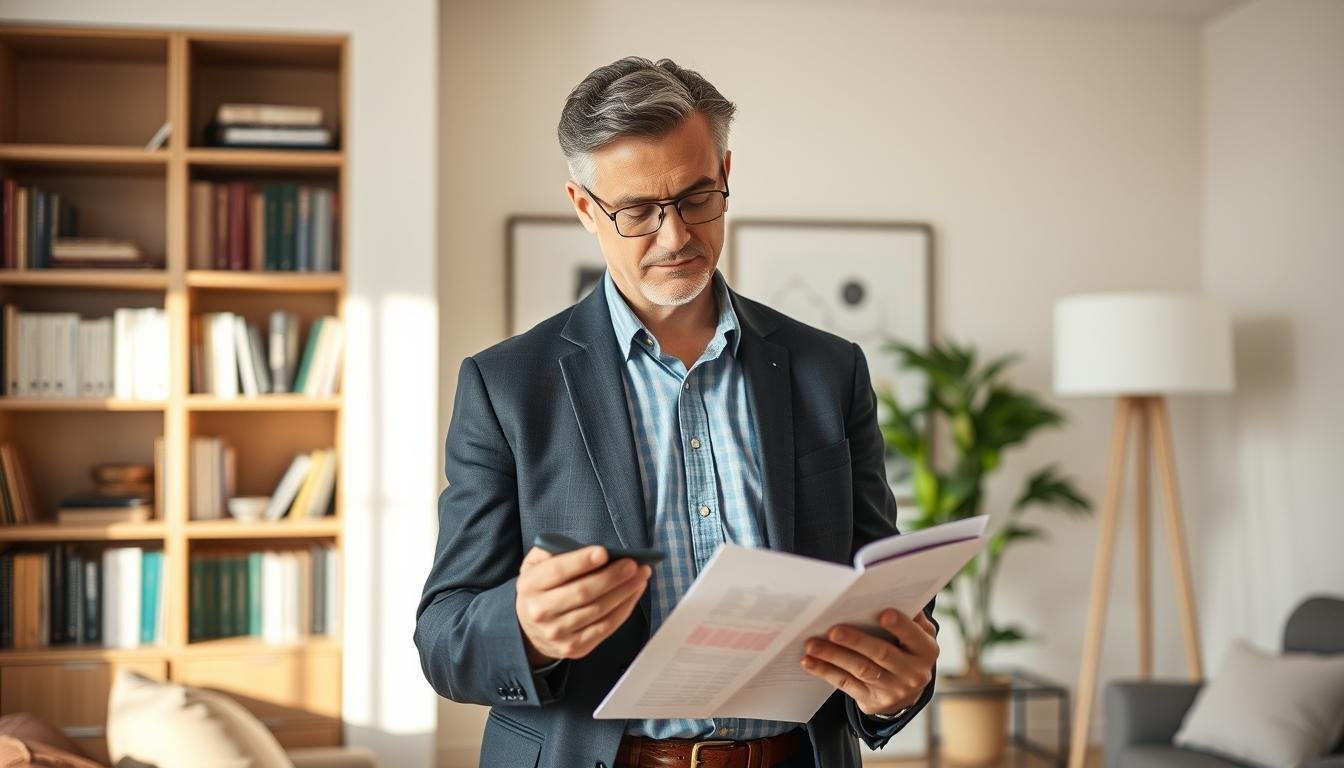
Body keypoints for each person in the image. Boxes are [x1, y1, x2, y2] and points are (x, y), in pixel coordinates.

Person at [415, 56, 939, 768]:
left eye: (697, 198)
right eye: (636, 212)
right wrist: (525, 627)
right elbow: (444, 637)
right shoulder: (506, 386)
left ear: (726, 172)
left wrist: (898, 686)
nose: (675, 238)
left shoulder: (829, 369)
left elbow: (876, 586)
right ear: (582, 206)